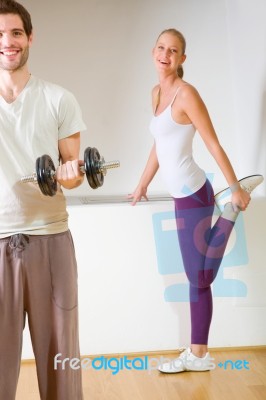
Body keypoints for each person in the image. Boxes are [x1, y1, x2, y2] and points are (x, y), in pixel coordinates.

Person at [128, 28, 263, 373]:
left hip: (194, 193)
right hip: (180, 196)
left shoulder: (187, 95)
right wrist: (142, 184)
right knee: (197, 279)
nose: (165, 54)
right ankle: (199, 354)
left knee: (198, 278)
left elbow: (212, 143)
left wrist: (234, 187)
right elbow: (159, 144)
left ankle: (231, 210)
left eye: (173, 51)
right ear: (153, 51)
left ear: (182, 59)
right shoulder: (157, 93)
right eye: (161, 47)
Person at [0, 0, 85, 398]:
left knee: (60, 362)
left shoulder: (59, 99)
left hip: (50, 239)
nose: (8, 41)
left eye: (16, 32)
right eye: (0, 34)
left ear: (30, 38)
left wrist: (71, 174)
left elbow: (73, 172)